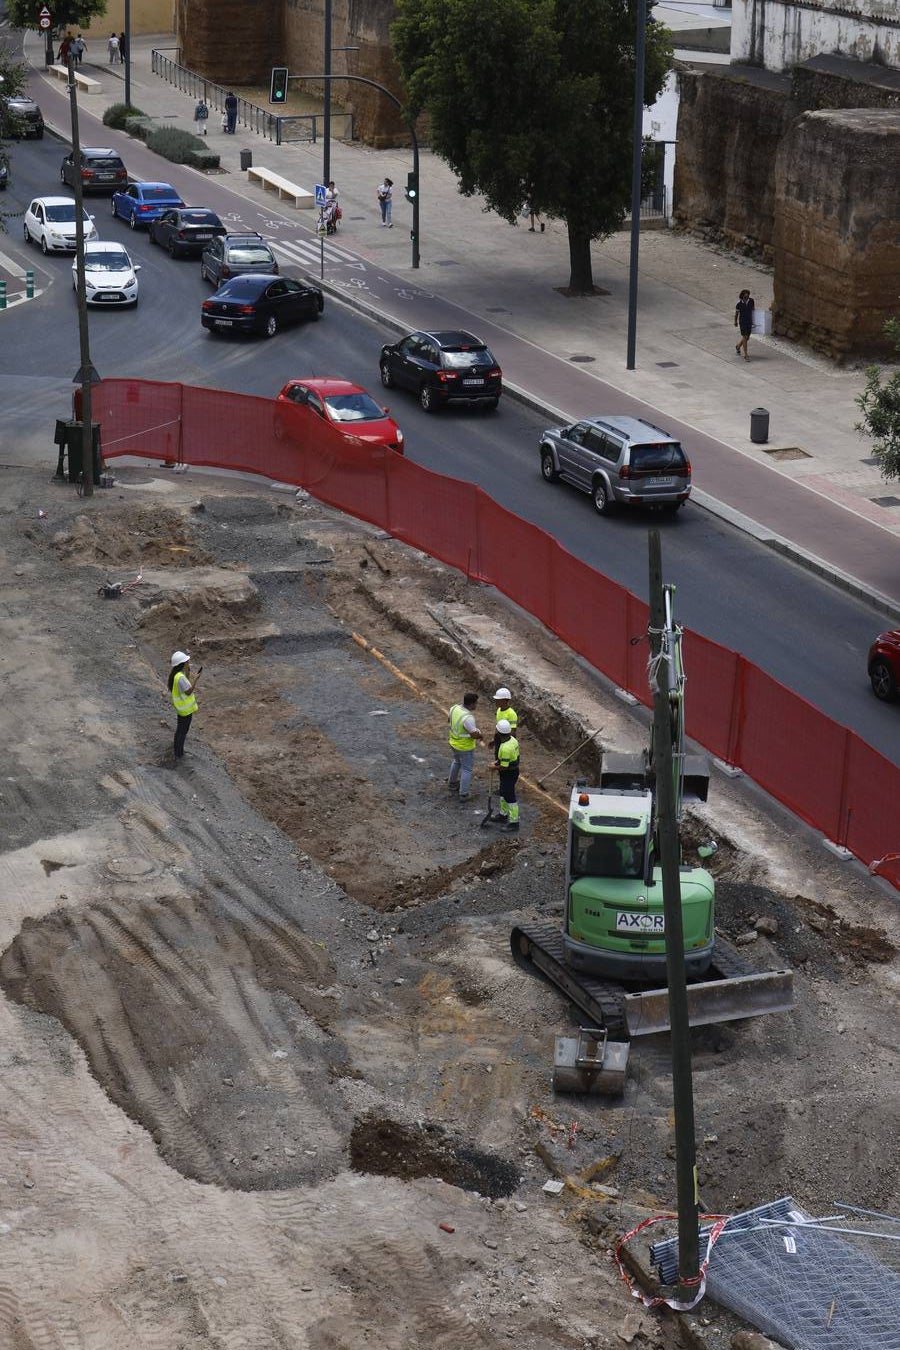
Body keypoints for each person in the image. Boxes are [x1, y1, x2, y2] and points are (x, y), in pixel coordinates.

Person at [448, 692, 483, 802]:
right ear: (471, 704)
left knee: (456, 762)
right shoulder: (468, 718)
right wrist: (480, 735)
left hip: (453, 743)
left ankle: (452, 783)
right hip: (464, 747)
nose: (476, 706)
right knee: (467, 769)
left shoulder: (453, 708)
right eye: (476, 703)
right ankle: (464, 794)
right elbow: (473, 734)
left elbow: (449, 720)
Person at [169, 651, 202, 760]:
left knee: (180, 730)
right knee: (182, 732)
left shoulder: (177, 675)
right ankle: (179, 754)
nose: (189, 663)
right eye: (187, 662)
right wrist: (196, 680)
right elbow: (188, 691)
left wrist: (188, 673)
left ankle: (177, 751)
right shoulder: (180, 677)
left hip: (182, 709)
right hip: (185, 710)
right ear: (182, 663)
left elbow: (184, 685)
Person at [493, 719, 521, 832]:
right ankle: (503, 815)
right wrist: (497, 763)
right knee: (503, 792)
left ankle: (514, 822)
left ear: (499, 733)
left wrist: (494, 767)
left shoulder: (505, 748)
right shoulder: (513, 740)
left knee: (510, 796)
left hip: (508, 773)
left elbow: (504, 766)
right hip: (511, 772)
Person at [492, 686, 519, 756]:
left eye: (497, 700)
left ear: (504, 700)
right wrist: (494, 740)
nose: (495, 701)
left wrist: (508, 746)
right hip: (499, 739)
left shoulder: (511, 714)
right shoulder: (498, 710)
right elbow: (498, 726)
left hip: (506, 741)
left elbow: (513, 732)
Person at [735, 288, 755, 360]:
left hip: (749, 321)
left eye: (748, 294)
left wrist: (754, 320)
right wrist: (735, 321)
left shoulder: (751, 301)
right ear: (742, 295)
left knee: (747, 338)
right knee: (745, 337)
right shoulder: (739, 303)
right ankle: (746, 355)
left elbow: (753, 310)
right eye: (745, 294)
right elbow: (736, 314)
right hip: (742, 322)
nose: (747, 296)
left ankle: (738, 346)